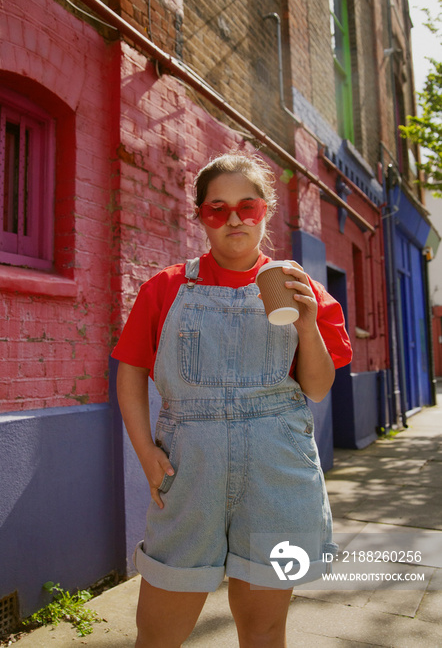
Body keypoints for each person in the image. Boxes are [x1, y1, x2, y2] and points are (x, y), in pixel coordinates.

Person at [113, 152, 352, 648]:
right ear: (201, 217)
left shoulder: (299, 287)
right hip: (189, 470)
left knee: (264, 632)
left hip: (277, 472)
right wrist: (146, 457)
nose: (234, 219)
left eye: (248, 206)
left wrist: (307, 324)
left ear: (265, 212)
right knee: (157, 633)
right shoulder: (166, 287)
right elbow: (131, 374)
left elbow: (319, 387)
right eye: (217, 209)